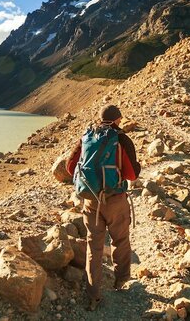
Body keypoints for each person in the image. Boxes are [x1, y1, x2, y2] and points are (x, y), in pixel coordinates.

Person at [66, 105, 141, 311]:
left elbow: (70, 167)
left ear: (99, 119)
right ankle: (121, 280)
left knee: (94, 247)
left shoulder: (87, 137)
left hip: (91, 202)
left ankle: (93, 294)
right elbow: (132, 175)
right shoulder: (122, 139)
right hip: (115, 200)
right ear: (117, 120)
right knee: (120, 240)